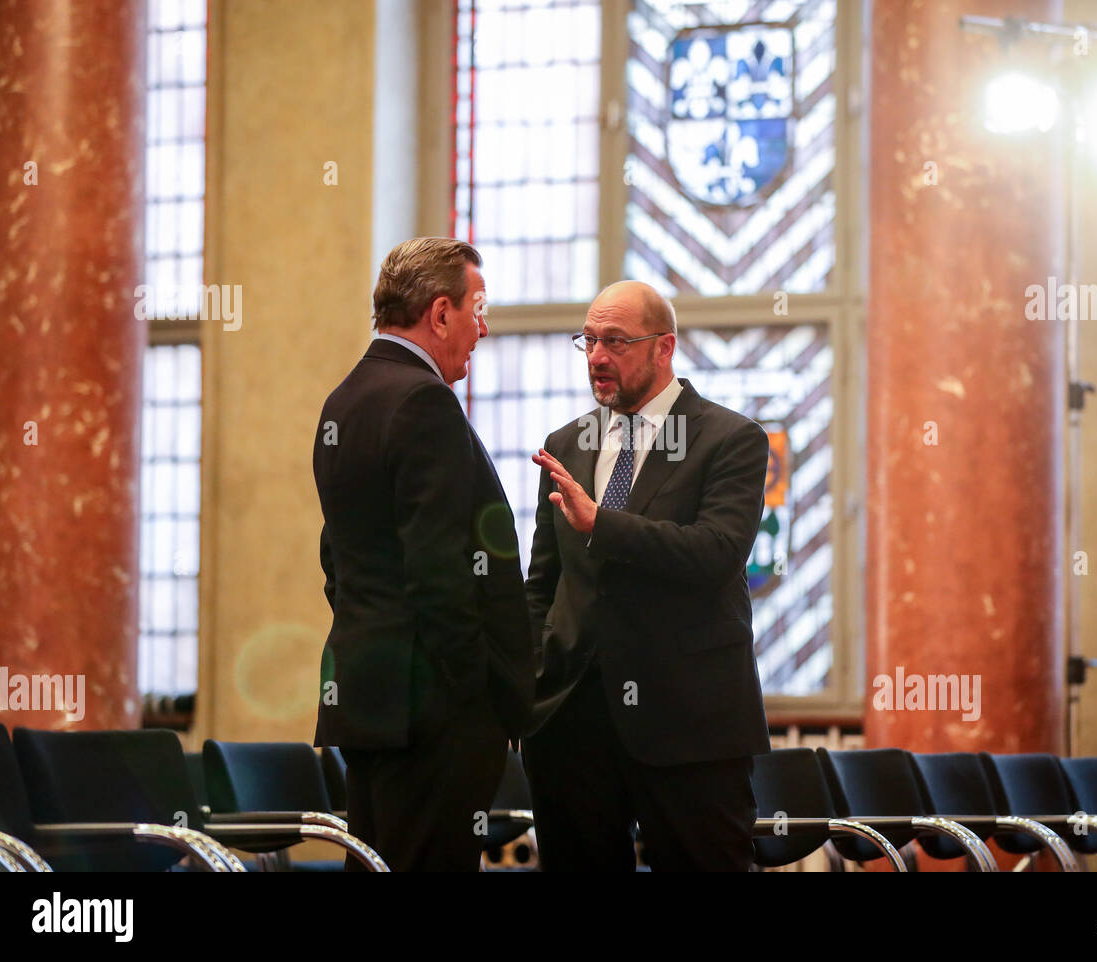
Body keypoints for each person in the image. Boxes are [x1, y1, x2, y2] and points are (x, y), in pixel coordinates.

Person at [523, 280, 771, 871]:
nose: (598, 357)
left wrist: (601, 523)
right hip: (572, 724)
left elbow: (716, 552)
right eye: (587, 341)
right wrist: (531, 680)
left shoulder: (729, 439)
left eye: (616, 341)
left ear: (665, 348)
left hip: (690, 724)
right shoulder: (567, 443)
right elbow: (543, 581)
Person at [312, 237, 533, 871]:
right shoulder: (423, 401)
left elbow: (337, 556)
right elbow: (438, 569)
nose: (483, 329)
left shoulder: (345, 401)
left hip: (368, 695)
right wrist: (473, 692)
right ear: (440, 314)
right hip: (431, 710)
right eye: (477, 310)